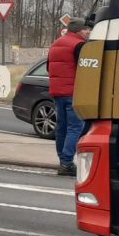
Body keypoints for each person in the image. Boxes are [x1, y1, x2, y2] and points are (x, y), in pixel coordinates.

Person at [47, 20, 90, 177]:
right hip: (73, 92)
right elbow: (85, 69)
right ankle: (66, 163)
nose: (88, 32)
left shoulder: (55, 44)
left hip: (57, 92)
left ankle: (62, 160)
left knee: (61, 128)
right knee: (75, 127)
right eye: (86, 29)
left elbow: (48, 67)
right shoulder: (79, 45)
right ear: (78, 30)